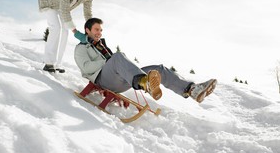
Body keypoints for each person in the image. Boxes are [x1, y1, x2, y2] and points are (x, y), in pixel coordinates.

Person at [74, 18, 217, 103]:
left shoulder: (102, 46)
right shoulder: (81, 48)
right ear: (87, 30)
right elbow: (86, 68)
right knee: (118, 56)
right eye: (96, 29)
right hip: (102, 81)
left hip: (120, 81)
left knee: (158, 70)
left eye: (101, 30)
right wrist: (108, 61)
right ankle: (144, 81)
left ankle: (191, 90)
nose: (99, 33)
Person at [38, 0, 96, 73]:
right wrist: (76, 32)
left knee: (65, 30)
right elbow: (65, 11)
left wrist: (92, 29)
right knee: (56, 27)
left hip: (61, 6)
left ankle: (58, 63)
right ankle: (49, 62)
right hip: (48, 1)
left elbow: (88, 13)